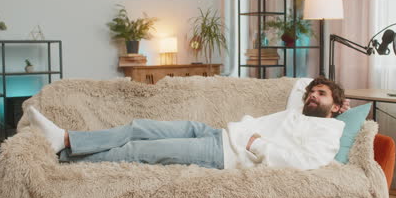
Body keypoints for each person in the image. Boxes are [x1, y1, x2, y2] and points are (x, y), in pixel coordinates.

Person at [28, 77, 348, 170]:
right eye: (310, 92)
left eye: (320, 95)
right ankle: (67, 138)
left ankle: (66, 157)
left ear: (334, 106)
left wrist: (259, 145)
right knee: (138, 126)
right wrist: (322, 92)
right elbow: (300, 86)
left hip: (226, 154)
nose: (311, 96)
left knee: (139, 149)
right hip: (218, 133)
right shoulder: (300, 112)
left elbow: (304, 162)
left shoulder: (328, 134)